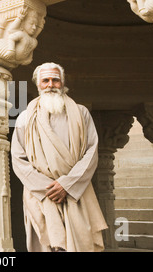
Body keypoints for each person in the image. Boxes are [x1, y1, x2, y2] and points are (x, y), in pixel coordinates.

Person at [11, 62, 108, 252]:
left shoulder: (81, 113)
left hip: (76, 191)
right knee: (48, 245)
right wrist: (48, 189)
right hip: (41, 194)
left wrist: (67, 184)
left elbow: (91, 150)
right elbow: (18, 158)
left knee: (81, 244)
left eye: (55, 80)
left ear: (62, 83)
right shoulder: (24, 118)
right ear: (37, 85)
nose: (50, 85)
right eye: (45, 80)